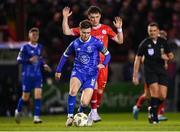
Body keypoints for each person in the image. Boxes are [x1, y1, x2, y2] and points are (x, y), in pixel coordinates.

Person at [62, 6, 123, 122]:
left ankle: (89, 111)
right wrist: (65, 18)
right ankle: (94, 112)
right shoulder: (85, 29)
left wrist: (119, 29)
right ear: (88, 18)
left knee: (100, 91)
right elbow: (66, 31)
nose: (94, 19)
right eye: (92, 17)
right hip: (89, 66)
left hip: (103, 65)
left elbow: (120, 41)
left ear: (100, 16)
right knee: (93, 88)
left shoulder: (106, 29)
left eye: (97, 17)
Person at [55, 20, 111, 127]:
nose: (85, 35)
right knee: (72, 91)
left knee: (85, 103)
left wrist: (103, 64)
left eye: (88, 33)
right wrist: (58, 70)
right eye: (83, 32)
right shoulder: (75, 43)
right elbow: (65, 55)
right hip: (78, 71)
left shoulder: (96, 42)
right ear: (80, 31)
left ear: (90, 32)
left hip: (91, 75)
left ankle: (79, 113)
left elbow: (108, 55)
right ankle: (70, 117)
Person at [132, 22, 174, 124]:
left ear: (158, 31)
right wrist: (135, 75)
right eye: (150, 31)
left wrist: (167, 58)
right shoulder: (145, 43)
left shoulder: (163, 42)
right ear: (148, 31)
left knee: (162, 96)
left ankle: (152, 109)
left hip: (161, 71)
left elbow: (171, 56)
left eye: (154, 31)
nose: (152, 33)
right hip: (150, 71)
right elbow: (137, 59)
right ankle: (154, 117)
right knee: (154, 93)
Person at [14, 27, 51, 124]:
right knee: (25, 97)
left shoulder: (40, 47)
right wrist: (28, 60)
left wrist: (44, 64)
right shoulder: (25, 47)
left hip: (37, 76)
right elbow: (18, 60)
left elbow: (40, 58)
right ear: (29, 36)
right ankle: (18, 110)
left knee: (38, 95)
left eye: (36, 35)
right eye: (33, 34)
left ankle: (36, 117)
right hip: (27, 76)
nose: (35, 36)